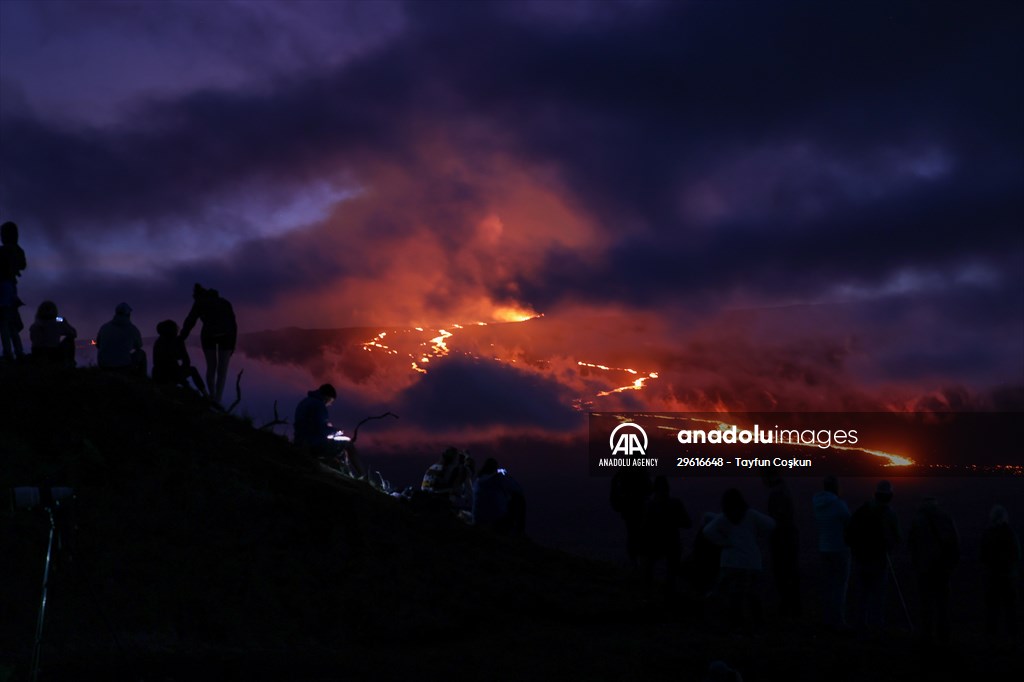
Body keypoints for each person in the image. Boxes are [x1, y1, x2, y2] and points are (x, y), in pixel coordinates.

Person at [702, 488, 776, 632]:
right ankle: (757, 622)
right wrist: (758, 535)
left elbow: (707, 531)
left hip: (731, 562)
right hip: (751, 560)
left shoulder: (723, 518)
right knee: (753, 593)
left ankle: (736, 623)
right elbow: (771, 524)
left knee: (735, 593)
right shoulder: (751, 515)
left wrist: (723, 542)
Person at [845, 480, 900, 633]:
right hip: (880, 559)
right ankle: (876, 626)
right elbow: (896, 536)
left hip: (862, 558)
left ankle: (861, 624)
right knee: (878, 594)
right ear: (890, 495)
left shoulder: (862, 510)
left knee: (863, 593)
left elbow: (849, 533)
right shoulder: (889, 513)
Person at [908, 497, 960, 645]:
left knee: (925, 603)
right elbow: (955, 541)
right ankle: (944, 635)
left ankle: (926, 634)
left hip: (924, 568)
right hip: (942, 567)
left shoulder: (918, 521)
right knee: (943, 603)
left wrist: (916, 563)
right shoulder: (945, 518)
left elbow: (912, 544)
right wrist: (952, 563)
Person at [180, 283, 237, 404]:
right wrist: (233, 345)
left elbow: (190, 320)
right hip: (227, 337)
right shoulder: (225, 302)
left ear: (197, 296)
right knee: (222, 370)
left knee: (211, 367)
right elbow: (233, 324)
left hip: (208, 336)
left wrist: (181, 338)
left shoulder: (200, 302)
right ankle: (218, 400)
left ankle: (212, 396)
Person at [293, 383, 364, 477]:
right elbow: (320, 430)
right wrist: (335, 431)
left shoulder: (305, 401)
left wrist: (327, 427)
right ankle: (363, 475)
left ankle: (346, 472)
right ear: (326, 397)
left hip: (300, 441)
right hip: (312, 445)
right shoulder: (319, 406)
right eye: (331, 401)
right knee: (348, 444)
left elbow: (312, 425)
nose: (330, 404)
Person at [640, 475, 692, 598]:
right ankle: (669, 595)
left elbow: (644, 526)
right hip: (672, 543)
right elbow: (687, 523)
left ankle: (648, 596)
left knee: (648, 569)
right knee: (671, 574)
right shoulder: (675, 503)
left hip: (655, 544)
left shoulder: (650, 505)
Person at [812, 475, 851, 630]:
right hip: (840, 549)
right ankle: (838, 620)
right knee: (840, 586)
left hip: (824, 548)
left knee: (827, 585)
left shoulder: (816, 503)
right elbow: (849, 522)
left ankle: (826, 618)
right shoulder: (839, 505)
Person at [763, 471, 801, 618]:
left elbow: (779, 516)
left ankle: (788, 607)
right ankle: (793, 606)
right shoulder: (784, 489)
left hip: (783, 537)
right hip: (788, 536)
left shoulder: (777, 493)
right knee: (790, 571)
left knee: (784, 571)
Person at [979, 505, 1019, 637]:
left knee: (992, 609)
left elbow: (982, 554)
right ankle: (1012, 635)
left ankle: (991, 636)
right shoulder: (1009, 532)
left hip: (992, 576)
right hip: (1007, 575)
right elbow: (1016, 553)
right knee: (1010, 608)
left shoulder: (988, 533)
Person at [610, 469, 653, 568]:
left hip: (632, 510)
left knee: (633, 537)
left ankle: (636, 565)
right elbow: (649, 489)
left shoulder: (625, 473)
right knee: (639, 538)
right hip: (637, 509)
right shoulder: (640, 473)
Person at [152, 320, 207, 396]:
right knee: (193, 370)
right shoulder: (176, 341)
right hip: (170, 376)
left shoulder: (158, 342)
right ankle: (205, 394)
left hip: (158, 376)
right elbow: (186, 362)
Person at [472, 458, 525, 535]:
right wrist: (505, 475)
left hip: (477, 520)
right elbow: (518, 489)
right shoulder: (499, 478)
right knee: (519, 499)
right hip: (495, 521)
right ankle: (519, 532)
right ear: (495, 468)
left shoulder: (478, 480)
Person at [0, 220, 27, 362]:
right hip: (12, 287)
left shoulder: (3, 250)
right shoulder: (18, 250)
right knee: (11, 322)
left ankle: (8, 353)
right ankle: (18, 351)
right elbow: (23, 266)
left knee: (3, 322)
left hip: (3, 287)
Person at [96, 302, 146, 375]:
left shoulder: (104, 327)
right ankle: (142, 379)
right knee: (141, 354)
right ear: (128, 315)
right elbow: (139, 345)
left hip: (104, 365)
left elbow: (98, 345)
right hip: (123, 366)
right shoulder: (132, 329)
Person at [29, 300, 77, 367]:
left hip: (37, 353)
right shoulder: (58, 322)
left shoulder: (34, 325)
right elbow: (73, 334)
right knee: (69, 340)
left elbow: (32, 338)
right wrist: (65, 322)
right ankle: (69, 364)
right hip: (53, 353)